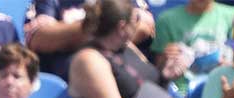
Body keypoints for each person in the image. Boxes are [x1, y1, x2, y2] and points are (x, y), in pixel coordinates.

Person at [68, 0, 181, 98]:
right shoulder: (89, 60)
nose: (141, 23)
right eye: (137, 18)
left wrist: (165, 75)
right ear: (122, 27)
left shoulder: (126, 46)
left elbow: (152, 80)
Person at [24, 0, 155, 78]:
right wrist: (110, 23)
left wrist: (72, 29)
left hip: (125, 74)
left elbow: (144, 28)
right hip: (72, 79)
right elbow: (38, 39)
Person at [152, 0, 234, 95]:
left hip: (222, 89)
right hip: (182, 92)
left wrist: (231, 65)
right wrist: (166, 57)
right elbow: (158, 68)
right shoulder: (166, 20)